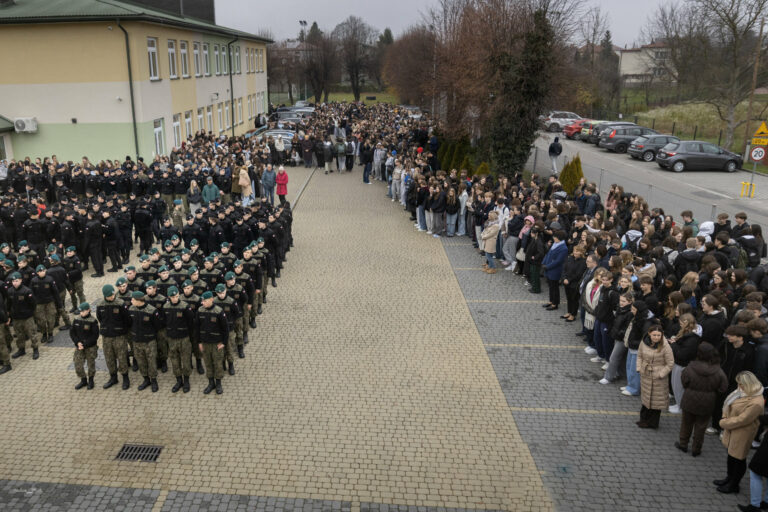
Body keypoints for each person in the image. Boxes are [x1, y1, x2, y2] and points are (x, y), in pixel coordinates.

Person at [715, 371, 765, 494]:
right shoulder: (741, 392)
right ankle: (729, 478)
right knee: (731, 455)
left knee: (739, 458)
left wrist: (724, 423)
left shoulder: (757, 402)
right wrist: (725, 417)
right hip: (732, 428)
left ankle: (734, 484)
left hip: (743, 432)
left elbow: (743, 419)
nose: (738, 386)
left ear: (748, 384)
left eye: (741, 384)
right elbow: (728, 404)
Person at [676, 342, 727, 457]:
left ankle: (683, 444)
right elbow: (723, 388)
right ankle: (696, 449)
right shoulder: (718, 370)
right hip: (708, 401)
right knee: (701, 426)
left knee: (686, 423)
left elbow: (684, 382)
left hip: (689, 399)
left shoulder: (690, 367)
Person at [637, 324, 675, 429]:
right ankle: (643, 420)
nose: (656, 337)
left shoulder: (666, 346)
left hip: (658, 378)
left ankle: (652, 423)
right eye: (654, 335)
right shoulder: (644, 342)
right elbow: (639, 356)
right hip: (646, 375)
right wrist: (639, 368)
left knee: (656, 402)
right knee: (645, 399)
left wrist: (661, 374)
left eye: (659, 335)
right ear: (649, 334)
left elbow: (670, 363)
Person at [95, 284, 132, 390]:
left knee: (122, 357)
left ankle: (125, 378)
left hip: (119, 335)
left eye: (112, 295)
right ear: (105, 296)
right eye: (109, 296)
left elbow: (127, 319)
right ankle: (113, 378)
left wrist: (122, 330)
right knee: (109, 357)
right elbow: (99, 318)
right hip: (106, 336)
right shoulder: (100, 305)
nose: (112, 297)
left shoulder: (120, 303)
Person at [195, 290, 229, 395]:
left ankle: (218, 384)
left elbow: (225, 329)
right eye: (202, 301)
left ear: (211, 300)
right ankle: (211, 383)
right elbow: (197, 328)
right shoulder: (200, 310)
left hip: (216, 344)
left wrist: (223, 342)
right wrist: (199, 342)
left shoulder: (219, 311)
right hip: (205, 343)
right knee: (208, 363)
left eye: (204, 301)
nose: (202, 303)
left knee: (218, 364)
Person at [127, 291, 161, 392]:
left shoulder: (152, 310)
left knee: (151, 362)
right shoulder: (131, 309)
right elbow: (129, 323)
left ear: (139, 300)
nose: (131, 301)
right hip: (136, 341)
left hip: (149, 342)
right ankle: (146, 380)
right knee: (141, 361)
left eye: (133, 299)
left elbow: (157, 326)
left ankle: (154, 380)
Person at [163, 285, 195, 393]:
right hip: (171, 339)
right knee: (174, 360)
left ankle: (186, 381)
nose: (175, 299)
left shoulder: (185, 306)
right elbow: (165, 322)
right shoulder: (166, 307)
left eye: (176, 296)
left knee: (186, 360)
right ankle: (179, 381)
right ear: (169, 297)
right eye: (173, 297)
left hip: (184, 338)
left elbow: (191, 322)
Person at [70, 302, 99, 390]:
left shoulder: (93, 321)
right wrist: (77, 342)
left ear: (88, 310)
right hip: (79, 346)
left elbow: (95, 336)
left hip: (90, 347)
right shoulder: (76, 319)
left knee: (91, 364)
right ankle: (83, 380)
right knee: (77, 363)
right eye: (80, 311)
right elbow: (72, 332)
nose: (81, 313)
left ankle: (91, 380)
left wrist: (85, 344)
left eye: (83, 311)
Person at [542, 230, 568, 310]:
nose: (553, 238)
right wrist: (544, 263)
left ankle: (555, 303)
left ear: (559, 238)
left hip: (555, 270)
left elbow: (558, 261)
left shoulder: (563, 248)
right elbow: (548, 254)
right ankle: (551, 301)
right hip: (549, 268)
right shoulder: (555, 244)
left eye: (555, 237)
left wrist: (547, 266)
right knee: (550, 286)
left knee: (554, 287)